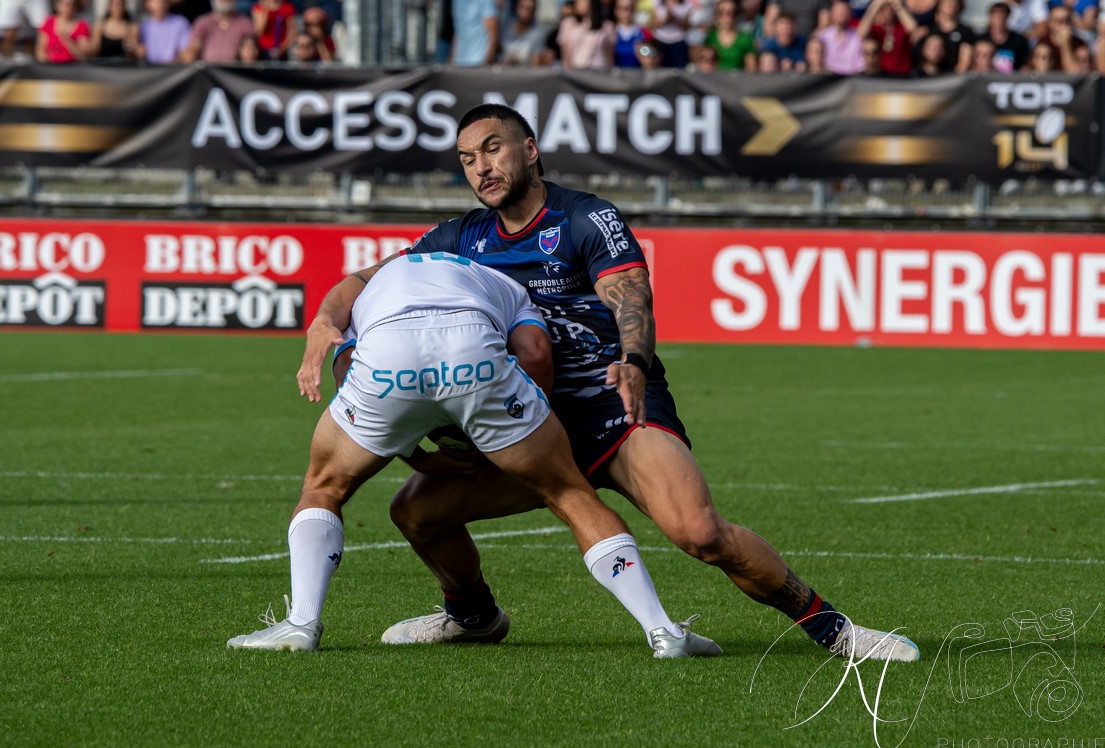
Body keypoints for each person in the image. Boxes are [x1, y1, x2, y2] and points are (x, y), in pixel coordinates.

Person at [297, 103, 921, 664]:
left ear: (530, 150)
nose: (480, 168)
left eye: (492, 148)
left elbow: (633, 299)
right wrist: (328, 321)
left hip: (609, 404)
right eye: (466, 159)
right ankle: (473, 617)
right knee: (417, 513)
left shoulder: (584, 217)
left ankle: (836, 629)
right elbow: (369, 279)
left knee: (700, 533)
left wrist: (633, 361)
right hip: (525, 419)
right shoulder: (461, 236)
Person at [229, 251, 722, 658]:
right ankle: (663, 631)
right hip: (470, 348)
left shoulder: (381, 277)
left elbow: (350, 363)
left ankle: (302, 624)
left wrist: (411, 453)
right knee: (569, 493)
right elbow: (533, 352)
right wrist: (521, 425)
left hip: (386, 357)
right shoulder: (503, 284)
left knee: (324, 487)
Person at [180, 0, 252, 63]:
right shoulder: (202, 23)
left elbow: (252, 52)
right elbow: (193, 50)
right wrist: (191, 53)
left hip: (237, 74)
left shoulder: (245, 23)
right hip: (208, 74)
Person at [857, 0, 916, 76]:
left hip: (902, 75)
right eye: (883, 9)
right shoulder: (876, 29)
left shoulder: (901, 28)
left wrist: (897, 6)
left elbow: (913, 28)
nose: (887, 12)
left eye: (890, 9)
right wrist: (876, 5)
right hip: (881, 75)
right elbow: (861, 33)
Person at [557, 0, 615, 68]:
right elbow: (565, 54)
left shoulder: (607, 26)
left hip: (599, 71)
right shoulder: (568, 24)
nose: (577, 2)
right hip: (576, 71)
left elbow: (609, 55)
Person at [976, 1, 1030, 73]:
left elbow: (1024, 67)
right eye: (995, 16)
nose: (999, 20)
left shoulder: (1019, 41)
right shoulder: (980, 39)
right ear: (990, 17)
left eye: (1002, 16)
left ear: (1008, 17)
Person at [704, 0, 757, 70]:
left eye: (734, 13)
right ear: (718, 15)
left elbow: (752, 69)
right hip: (714, 79)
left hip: (738, 79)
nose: (730, 17)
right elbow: (704, 66)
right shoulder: (710, 37)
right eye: (724, 13)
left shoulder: (745, 38)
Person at [816, 0, 863, 72]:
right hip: (827, 77)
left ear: (850, 14)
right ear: (832, 13)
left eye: (845, 12)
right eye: (839, 12)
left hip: (853, 79)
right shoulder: (822, 37)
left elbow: (861, 64)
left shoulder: (857, 36)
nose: (842, 15)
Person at [451, 0, 498, 66]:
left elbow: (493, 33)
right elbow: (458, 31)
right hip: (459, 62)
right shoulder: (456, 1)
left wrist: (487, 60)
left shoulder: (486, 1)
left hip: (479, 63)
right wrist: (452, 59)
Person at [649, 0, 692, 67]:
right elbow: (653, 24)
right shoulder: (657, 2)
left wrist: (674, 19)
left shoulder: (687, 4)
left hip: (678, 41)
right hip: (659, 40)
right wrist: (665, 20)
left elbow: (686, 27)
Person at [611, 0, 652, 67]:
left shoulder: (643, 33)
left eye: (630, 8)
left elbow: (649, 62)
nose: (627, 13)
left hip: (636, 75)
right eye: (623, 9)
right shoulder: (611, 32)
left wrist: (640, 54)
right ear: (616, 11)